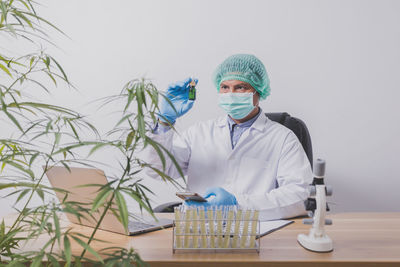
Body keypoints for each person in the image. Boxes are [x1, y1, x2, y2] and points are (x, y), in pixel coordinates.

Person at [142, 54, 312, 220]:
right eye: (225, 87)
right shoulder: (199, 133)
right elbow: (157, 170)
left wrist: (236, 205)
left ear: (258, 91)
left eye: (240, 87)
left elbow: (299, 195)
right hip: (197, 228)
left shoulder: (282, 138)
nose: (231, 93)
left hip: (253, 230)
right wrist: (164, 123)